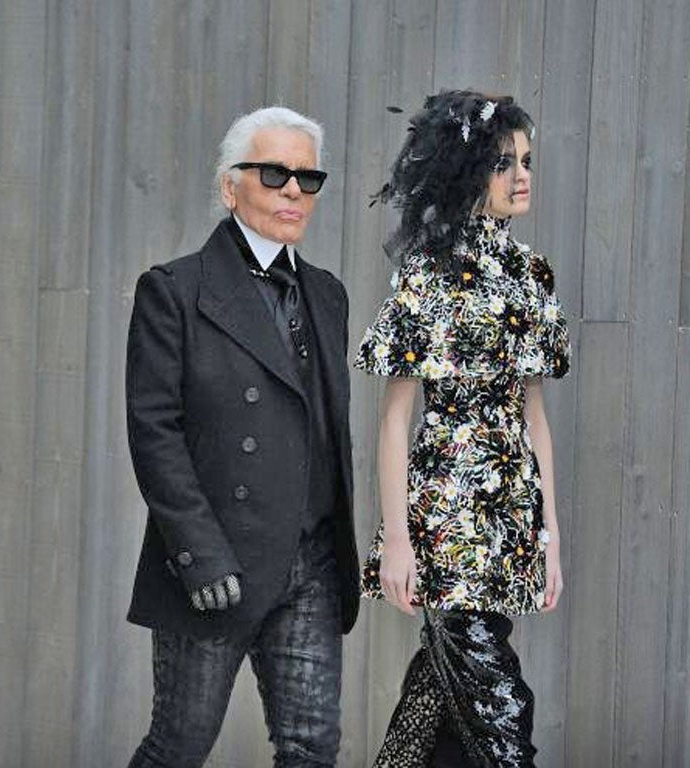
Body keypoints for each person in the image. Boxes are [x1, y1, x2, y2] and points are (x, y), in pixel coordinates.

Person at [125, 106, 359, 767]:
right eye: (275, 173)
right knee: (180, 744)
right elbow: (154, 431)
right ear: (232, 187)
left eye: (307, 178)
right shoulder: (174, 289)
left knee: (312, 747)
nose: (293, 190)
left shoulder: (327, 294)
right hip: (216, 559)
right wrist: (199, 553)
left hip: (310, 560)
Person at [355, 90, 571, 767]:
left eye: (527, 161)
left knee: (438, 701)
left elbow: (532, 412)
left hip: (510, 517)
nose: (522, 176)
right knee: (501, 715)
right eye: (503, 163)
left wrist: (551, 534)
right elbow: (396, 421)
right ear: (466, 172)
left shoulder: (531, 276)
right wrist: (395, 542)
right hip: (446, 517)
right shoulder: (427, 273)